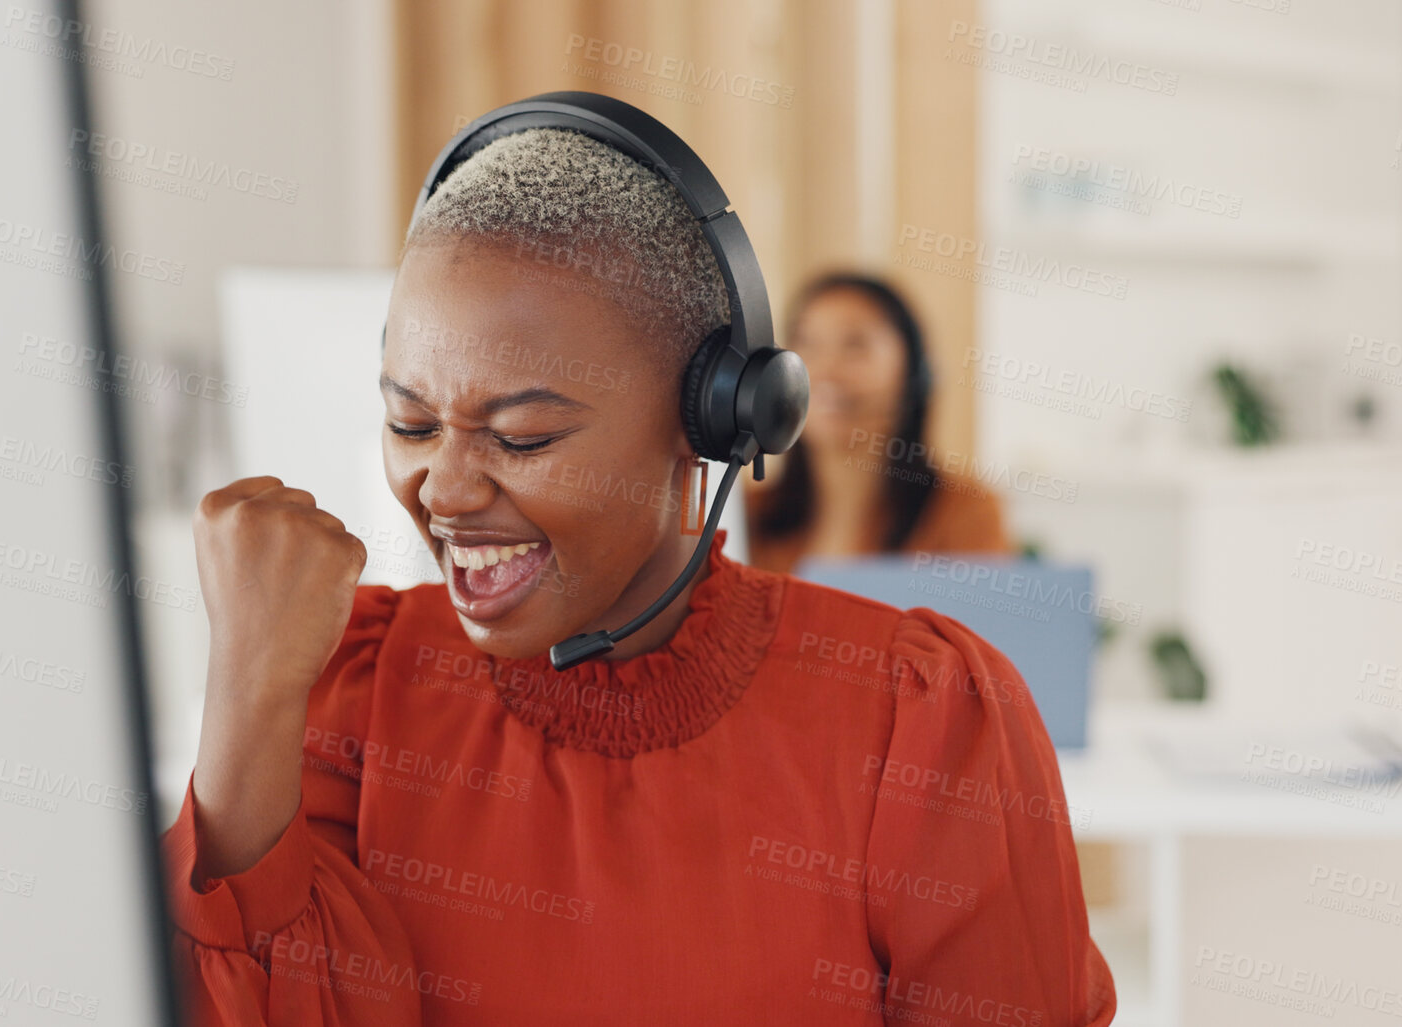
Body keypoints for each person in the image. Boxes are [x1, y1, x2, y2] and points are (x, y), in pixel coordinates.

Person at [160, 118, 1115, 1025]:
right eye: (410, 423)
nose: (442, 490)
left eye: (522, 435)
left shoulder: (920, 718)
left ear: (710, 421)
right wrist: (248, 690)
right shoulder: (351, 692)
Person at [743, 273, 1013, 576]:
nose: (824, 369)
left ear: (910, 373)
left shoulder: (965, 513)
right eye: (806, 342)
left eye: (855, 345)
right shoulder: (748, 514)